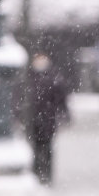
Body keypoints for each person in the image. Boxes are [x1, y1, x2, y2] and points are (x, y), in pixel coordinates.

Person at [25, 53, 68, 186]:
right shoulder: (30, 77)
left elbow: (61, 98)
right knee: (36, 148)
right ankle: (37, 173)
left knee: (46, 147)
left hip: (47, 119)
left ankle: (46, 174)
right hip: (35, 119)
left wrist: (64, 113)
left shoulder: (52, 77)